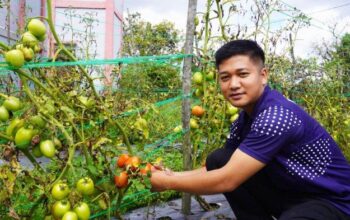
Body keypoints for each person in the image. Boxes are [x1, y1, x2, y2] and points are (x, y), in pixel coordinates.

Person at [150, 40, 350, 220]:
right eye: (225, 77)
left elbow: (227, 180)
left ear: (263, 75)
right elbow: (224, 168)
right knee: (219, 159)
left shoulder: (276, 116)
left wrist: (168, 183)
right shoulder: (245, 118)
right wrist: (173, 175)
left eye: (243, 74)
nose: (234, 84)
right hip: (292, 193)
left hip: (331, 202)